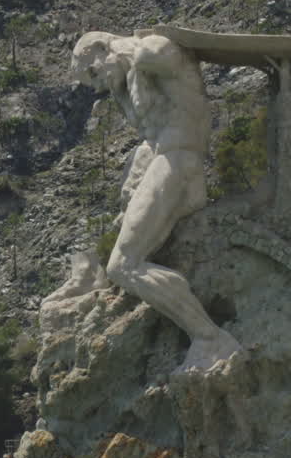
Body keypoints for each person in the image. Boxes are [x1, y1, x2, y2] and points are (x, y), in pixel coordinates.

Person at [66, 30, 244, 371]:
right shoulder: (126, 81)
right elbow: (152, 137)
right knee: (128, 254)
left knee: (123, 265)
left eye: (94, 72)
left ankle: (209, 338)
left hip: (178, 162)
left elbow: (168, 58)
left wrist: (136, 50)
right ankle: (203, 334)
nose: (98, 84)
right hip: (170, 161)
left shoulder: (148, 52)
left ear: (103, 47)